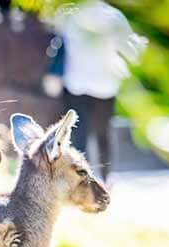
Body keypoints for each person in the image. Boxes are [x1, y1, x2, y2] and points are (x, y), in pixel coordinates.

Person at [44, 1, 146, 180]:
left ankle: (83, 180)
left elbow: (58, 44)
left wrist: (54, 74)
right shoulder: (114, 16)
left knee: (78, 135)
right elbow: (130, 50)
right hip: (105, 84)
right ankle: (105, 179)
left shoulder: (69, 15)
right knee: (103, 134)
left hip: (76, 83)